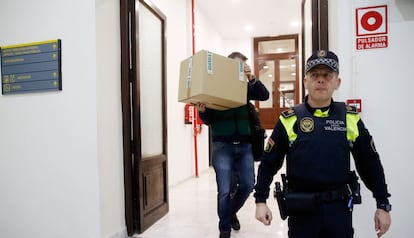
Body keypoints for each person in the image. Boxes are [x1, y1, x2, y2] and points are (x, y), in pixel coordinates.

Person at [254, 50, 391, 238]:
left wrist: (382, 204)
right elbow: (269, 163)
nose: (321, 80)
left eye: (327, 75)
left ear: (337, 82)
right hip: (301, 209)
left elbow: (370, 163)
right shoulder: (289, 119)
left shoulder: (349, 118)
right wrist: (260, 200)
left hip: (339, 210)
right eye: (314, 75)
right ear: (305, 82)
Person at [196, 51, 269, 238]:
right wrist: (202, 112)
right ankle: (224, 228)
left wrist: (251, 77)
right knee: (225, 190)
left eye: (243, 66)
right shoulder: (215, 86)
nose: (240, 69)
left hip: (245, 146)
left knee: (247, 185)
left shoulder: (245, 86)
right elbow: (208, 119)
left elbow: (264, 95)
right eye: (236, 66)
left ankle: (230, 213)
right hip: (222, 146)